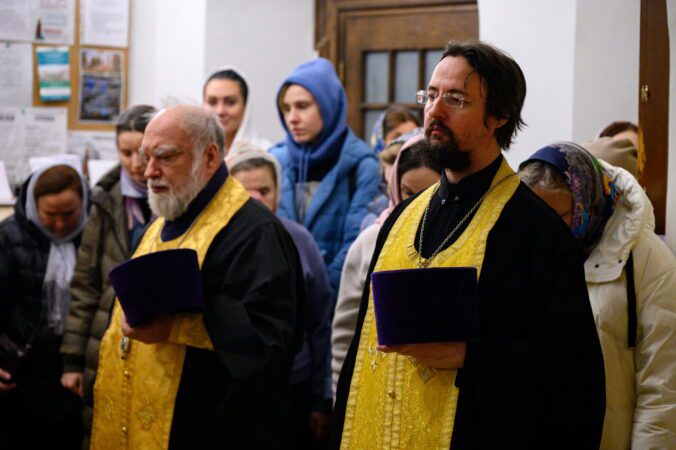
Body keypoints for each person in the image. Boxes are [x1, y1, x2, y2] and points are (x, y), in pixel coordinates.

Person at [331, 40, 605, 449]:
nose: (435, 111)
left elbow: (574, 381)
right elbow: (359, 355)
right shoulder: (402, 220)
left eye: (456, 99)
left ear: (499, 115)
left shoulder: (537, 232)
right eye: (431, 95)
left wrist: (474, 358)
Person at [89, 105, 304, 449]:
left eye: (165, 157)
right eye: (146, 157)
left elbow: (270, 336)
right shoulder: (162, 222)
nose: (148, 172)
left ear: (210, 156)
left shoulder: (256, 232)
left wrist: (176, 327)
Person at [519, 142, 676, 450]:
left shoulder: (645, 259)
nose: (545, 230)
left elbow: (662, 385)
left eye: (557, 216)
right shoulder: (525, 253)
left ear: (584, 203)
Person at [59, 104, 156, 445]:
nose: (136, 163)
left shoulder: (176, 198)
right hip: (103, 336)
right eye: (126, 153)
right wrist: (72, 360)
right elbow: (85, 283)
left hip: (154, 337)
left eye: (142, 153)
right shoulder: (105, 199)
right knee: (102, 422)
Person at [228, 143, 333, 448]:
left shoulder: (300, 240)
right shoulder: (219, 245)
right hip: (234, 389)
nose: (256, 200)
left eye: (264, 190)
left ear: (277, 192)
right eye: (244, 191)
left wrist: (321, 397)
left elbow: (320, 324)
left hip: (294, 386)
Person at [331, 133, 441, 396]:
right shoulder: (371, 241)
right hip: (375, 388)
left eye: (429, 194)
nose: (415, 205)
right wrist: (340, 395)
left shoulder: (457, 240)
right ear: (394, 187)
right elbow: (346, 331)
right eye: (408, 193)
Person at [270, 58, 380, 298]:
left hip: (334, 299)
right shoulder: (274, 161)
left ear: (328, 106)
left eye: (302, 106)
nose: (292, 118)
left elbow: (354, 243)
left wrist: (319, 298)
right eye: (286, 108)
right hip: (280, 299)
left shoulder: (362, 165)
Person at [0, 160, 88, 449]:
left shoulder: (94, 234)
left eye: (69, 214)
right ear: (33, 205)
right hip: (22, 369)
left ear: (84, 203)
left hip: (77, 369)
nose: (59, 225)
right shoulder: (9, 235)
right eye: (49, 214)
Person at [203, 66, 271, 154]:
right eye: (212, 102)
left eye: (230, 102)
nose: (220, 111)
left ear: (246, 106)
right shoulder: (193, 154)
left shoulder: (266, 152)